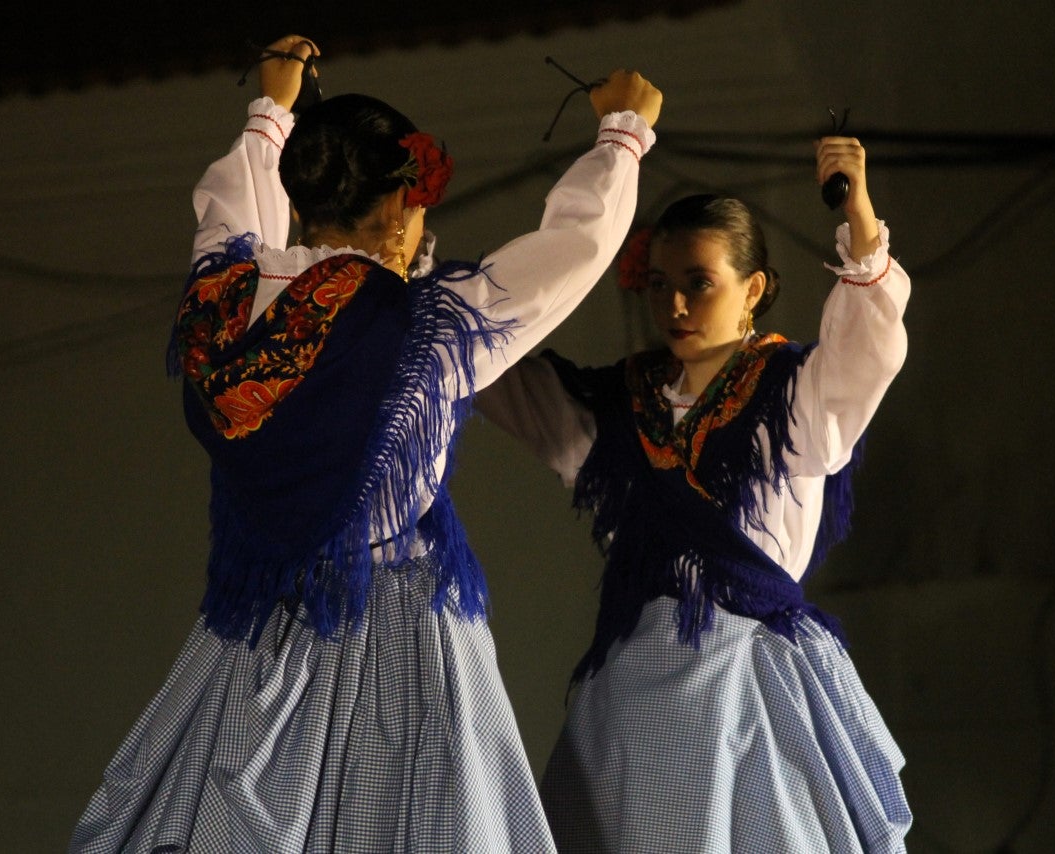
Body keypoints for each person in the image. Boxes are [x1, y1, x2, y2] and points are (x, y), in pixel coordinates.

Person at [67, 34, 661, 853]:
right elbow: (574, 251)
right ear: (395, 209)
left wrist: (270, 108)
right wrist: (622, 136)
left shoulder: (221, 300)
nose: (423, 228)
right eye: (418, 207)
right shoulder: (428, 325)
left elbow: (229, 208)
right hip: (394, 637)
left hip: (251, 634)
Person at [476, 137, 913, 852]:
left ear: (756, 289)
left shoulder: (796, 398)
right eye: (657, 283)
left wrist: (857, 210)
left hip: (748, 685)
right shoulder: (620, 407)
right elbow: (501, 378)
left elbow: (871, 341)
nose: (673, 303)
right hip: (631, 691)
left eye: (699, 282)